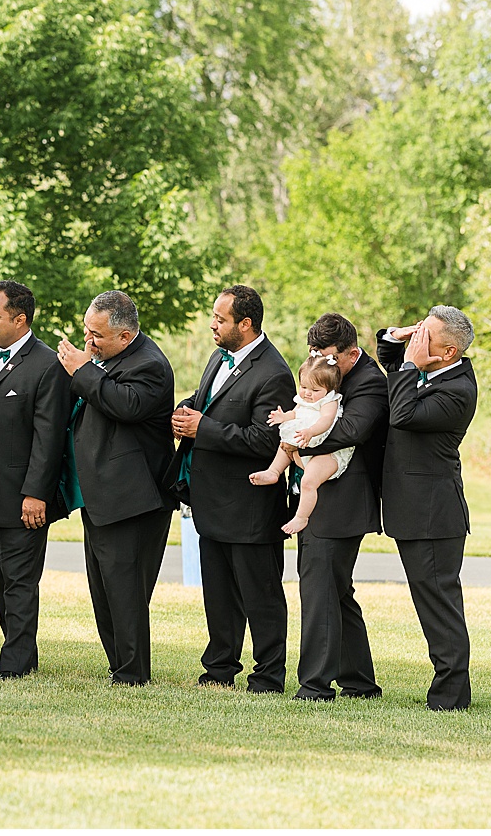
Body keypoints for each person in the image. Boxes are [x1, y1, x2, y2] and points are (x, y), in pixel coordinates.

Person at [171, 285, 296, 694]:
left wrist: (202, 428)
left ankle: (268, 676)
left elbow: (264, 440)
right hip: (213, 501)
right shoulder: (218, 355)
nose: (212, 324)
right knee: (220, 595)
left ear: (246, 324)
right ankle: (220, 669)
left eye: (220, 319)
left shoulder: (273, 372)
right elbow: (210, 400)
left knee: (260, 596)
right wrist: (185, 409)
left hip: (250, 505)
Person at [57, 290, 177, 686]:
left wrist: (81, 370)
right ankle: (118, 664)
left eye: (97, 336)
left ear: (125, 336)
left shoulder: (150, 364)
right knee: (103, 589)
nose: (88, 342)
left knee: (126, 590)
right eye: (86, 332)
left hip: (135, 498)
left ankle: (132, 672)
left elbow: (126, 405)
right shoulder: (107, 358)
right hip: (101, 495)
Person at [0, 281, 70, 680]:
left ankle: (16, 666)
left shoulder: (46, 365)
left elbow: (49, 438)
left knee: (20, 583)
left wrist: (35, 495)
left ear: (20, 319)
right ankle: (21, 651)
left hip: (23, 500)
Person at [378, 306, 479, 711]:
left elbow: (402, 415)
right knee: (431, 602)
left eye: (427, 336)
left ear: (449, 352)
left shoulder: (457, 391)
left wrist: (407, 363)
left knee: (439, 604)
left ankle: (451, 696)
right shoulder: (432, 371)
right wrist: (400, 337)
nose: (418, 341)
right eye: (419, 331)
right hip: (415, 512)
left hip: (434, 516)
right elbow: (390, 360)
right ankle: (449, 690)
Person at [287, 312, 387, 702]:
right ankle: (360, 683)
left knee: (319, 593)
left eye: (328, 356)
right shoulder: (328, 377)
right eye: (314, 353)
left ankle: (314, 687)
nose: (320, 362)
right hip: (323, 493)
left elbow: (352, 431)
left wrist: (299, 442)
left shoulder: (370, 383)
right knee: (337, 593)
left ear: (352, 353)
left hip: (342, 501)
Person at [250, 353, 355, 535]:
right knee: (284, 444)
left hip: (327, 453)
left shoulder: (329, 401)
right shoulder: (304, 400)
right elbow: (295, 413)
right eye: (304, 386)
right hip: (304, 443)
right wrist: (283, 417)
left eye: (315, 390)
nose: (307, 393)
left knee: (308, 481)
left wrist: (311, 431)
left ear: (330, 389)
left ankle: (301, 517)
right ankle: (273, 471)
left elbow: (326, 421)